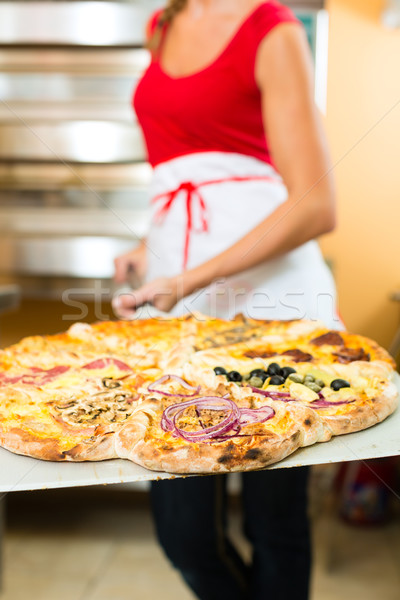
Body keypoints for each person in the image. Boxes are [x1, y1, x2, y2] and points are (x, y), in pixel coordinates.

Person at [113, 1, 340, 598]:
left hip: (273, 303)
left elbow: (317, 205)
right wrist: (148, 247)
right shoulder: (161, 25)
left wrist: (187, 278)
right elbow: (188, 164)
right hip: (183, 299)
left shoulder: (272, 29)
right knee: (184, 533)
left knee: (275, 521)